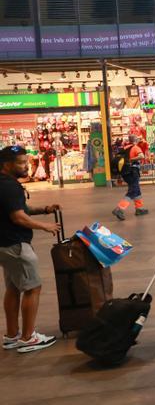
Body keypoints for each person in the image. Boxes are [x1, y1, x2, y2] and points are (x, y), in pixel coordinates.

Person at [0, 146, 61, 353]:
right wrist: (46, 226)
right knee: (32, 288)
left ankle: (11, 335)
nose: (26, 166)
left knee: (13, 288)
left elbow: (19, 210)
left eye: (26, 161)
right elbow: (17, 217)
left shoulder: (5, 184)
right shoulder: (10, 186)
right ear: (7, 165)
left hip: (4, 245)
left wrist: (44, 210)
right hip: (15, 245)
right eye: (21, 162)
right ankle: (28, 338)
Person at [112, 134, 149, 220]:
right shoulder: (135, 147)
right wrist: (131, 160)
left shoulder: (125, 148)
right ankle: (120, 209)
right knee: (133, 191)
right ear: (135, 140)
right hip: (133, 172)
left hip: (125, 173)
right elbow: (141, 156)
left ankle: (139, 208)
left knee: (136, 189)